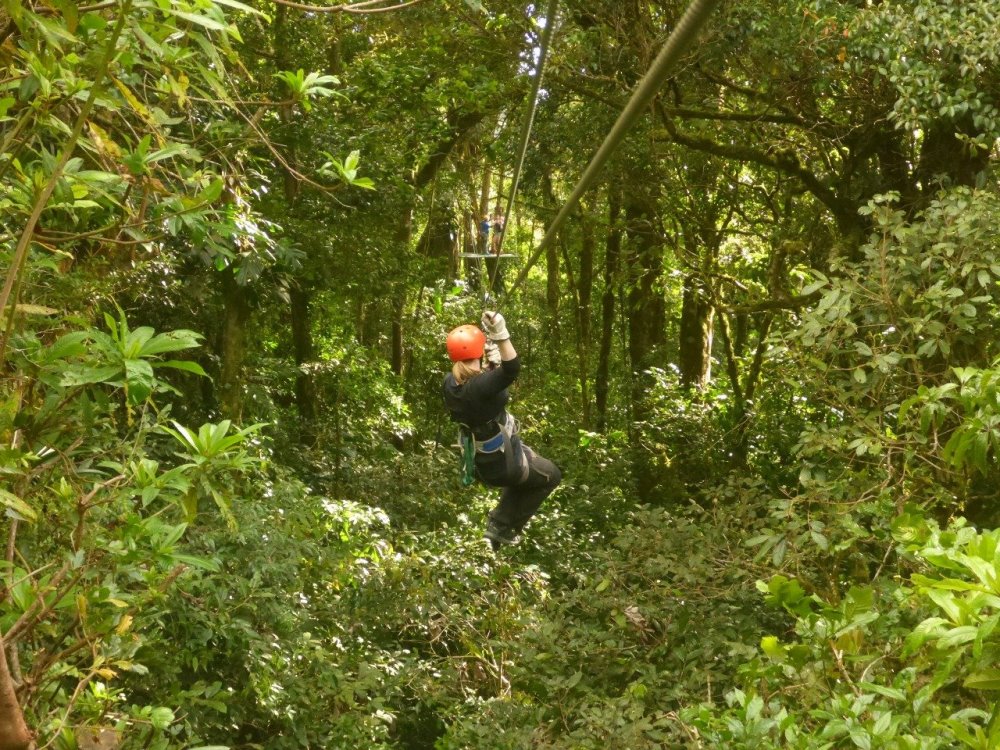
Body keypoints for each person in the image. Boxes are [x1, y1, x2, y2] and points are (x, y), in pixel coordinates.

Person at [442, 312, 561, 550]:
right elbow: (512, 369)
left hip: (483, 462)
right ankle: (504, 526)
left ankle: (496, 530)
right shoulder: (479, 387)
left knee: (528, 473)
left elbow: (484, 385)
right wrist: (501, 335)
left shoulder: (450, 383)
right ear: (476, 353)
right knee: (552, 475)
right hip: (504, 463)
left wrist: (491, 365)